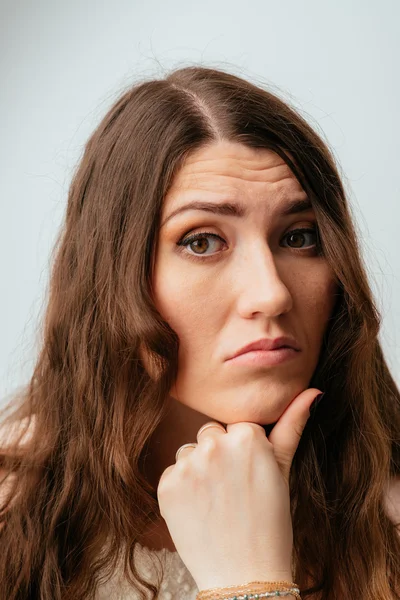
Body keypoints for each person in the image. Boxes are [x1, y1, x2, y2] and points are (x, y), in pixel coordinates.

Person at [0, 65, 399, 600]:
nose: (272, 293)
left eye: (299, 236)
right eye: (203, 241)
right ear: (112, 279)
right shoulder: (13, 513)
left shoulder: (389, 519)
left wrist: (249, 579)